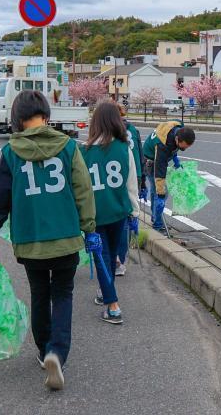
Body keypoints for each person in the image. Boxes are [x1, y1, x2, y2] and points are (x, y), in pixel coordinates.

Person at [0, 90, 97, 391]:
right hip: (66, 238)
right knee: (63, 293)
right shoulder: (68, 147)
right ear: (46, 114)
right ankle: (57, 351)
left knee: (40, 292)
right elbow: (83, 191)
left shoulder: (10, 153)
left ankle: (43, 351)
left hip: (30, 241)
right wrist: (90, 230)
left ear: (16, 119)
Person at [79, 101, 140, 324]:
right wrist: (135, 214)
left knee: (102, 258)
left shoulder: (83, 151)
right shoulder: (125, 148)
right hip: (118, 212)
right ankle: (106, 294)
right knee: (110, 256)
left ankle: (112, 305)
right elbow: (131, 184)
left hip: (93, 215)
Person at [141, 120, 196, 233]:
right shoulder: (163, 145)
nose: (185, 149)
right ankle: (158, 224)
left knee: (155, 191)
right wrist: (161, 195)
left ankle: (155, 218)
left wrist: (176, 161)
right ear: (177, 139)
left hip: (153, 159)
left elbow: (174, 148)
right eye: (184, 146)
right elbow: (159, 173)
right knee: (160, 192)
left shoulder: (178, 129)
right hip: (150, 163)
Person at [115, 103, 144, 276]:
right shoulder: (133, 129)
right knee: (128, 216)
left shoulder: (112, 130)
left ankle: (116, 259)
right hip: (135, 174)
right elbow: (139, 152)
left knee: (118, 216)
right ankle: (121, 258)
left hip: (119, 175)